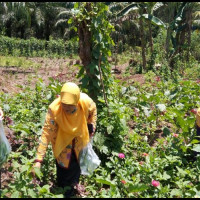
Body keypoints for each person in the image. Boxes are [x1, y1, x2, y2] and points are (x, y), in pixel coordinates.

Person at [32, 82, 97, 197]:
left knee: (76, 168)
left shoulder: (86, 102)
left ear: (77, 101)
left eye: (70, 105)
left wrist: (91, 124)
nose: (66, 107)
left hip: (79, 144)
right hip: (62, 147)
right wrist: (38, 160)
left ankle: (72, 188)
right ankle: (62, 190)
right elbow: (46, 133)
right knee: (62, 171)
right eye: (64, 104)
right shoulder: (54, 109)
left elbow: (93, 111)